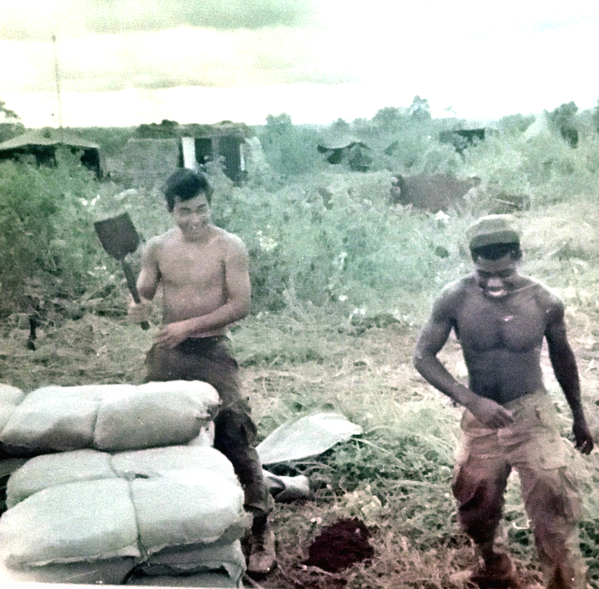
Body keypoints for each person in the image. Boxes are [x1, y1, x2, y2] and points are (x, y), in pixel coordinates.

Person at [413, 214, 593, 589]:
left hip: (530, 410)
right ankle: (494, 568)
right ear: (473, 263)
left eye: (504, 274)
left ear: (519, 256)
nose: (494, 285)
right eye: (485, 276)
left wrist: (579, 417)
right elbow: (423, 357)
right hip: (481, 415)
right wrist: (470, 400)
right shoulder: (455, 298)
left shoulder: (544, 301)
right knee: (475, 500)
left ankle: (565, 585)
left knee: (552, 504)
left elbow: (564, 359)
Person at [128, 168, 276, 575]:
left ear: (210, 204)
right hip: (168, 351)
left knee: (234, 425)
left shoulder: (229, 246)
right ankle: (163, 515)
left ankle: (261, 523)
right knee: (144, 423)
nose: (194, 219)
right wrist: (137, 306)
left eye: (201, 209)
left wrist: (189, 326)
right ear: (170, 210)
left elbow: (240, 305)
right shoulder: (157, 248)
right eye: (184, 211)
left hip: (211, 348)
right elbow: (143, 292)